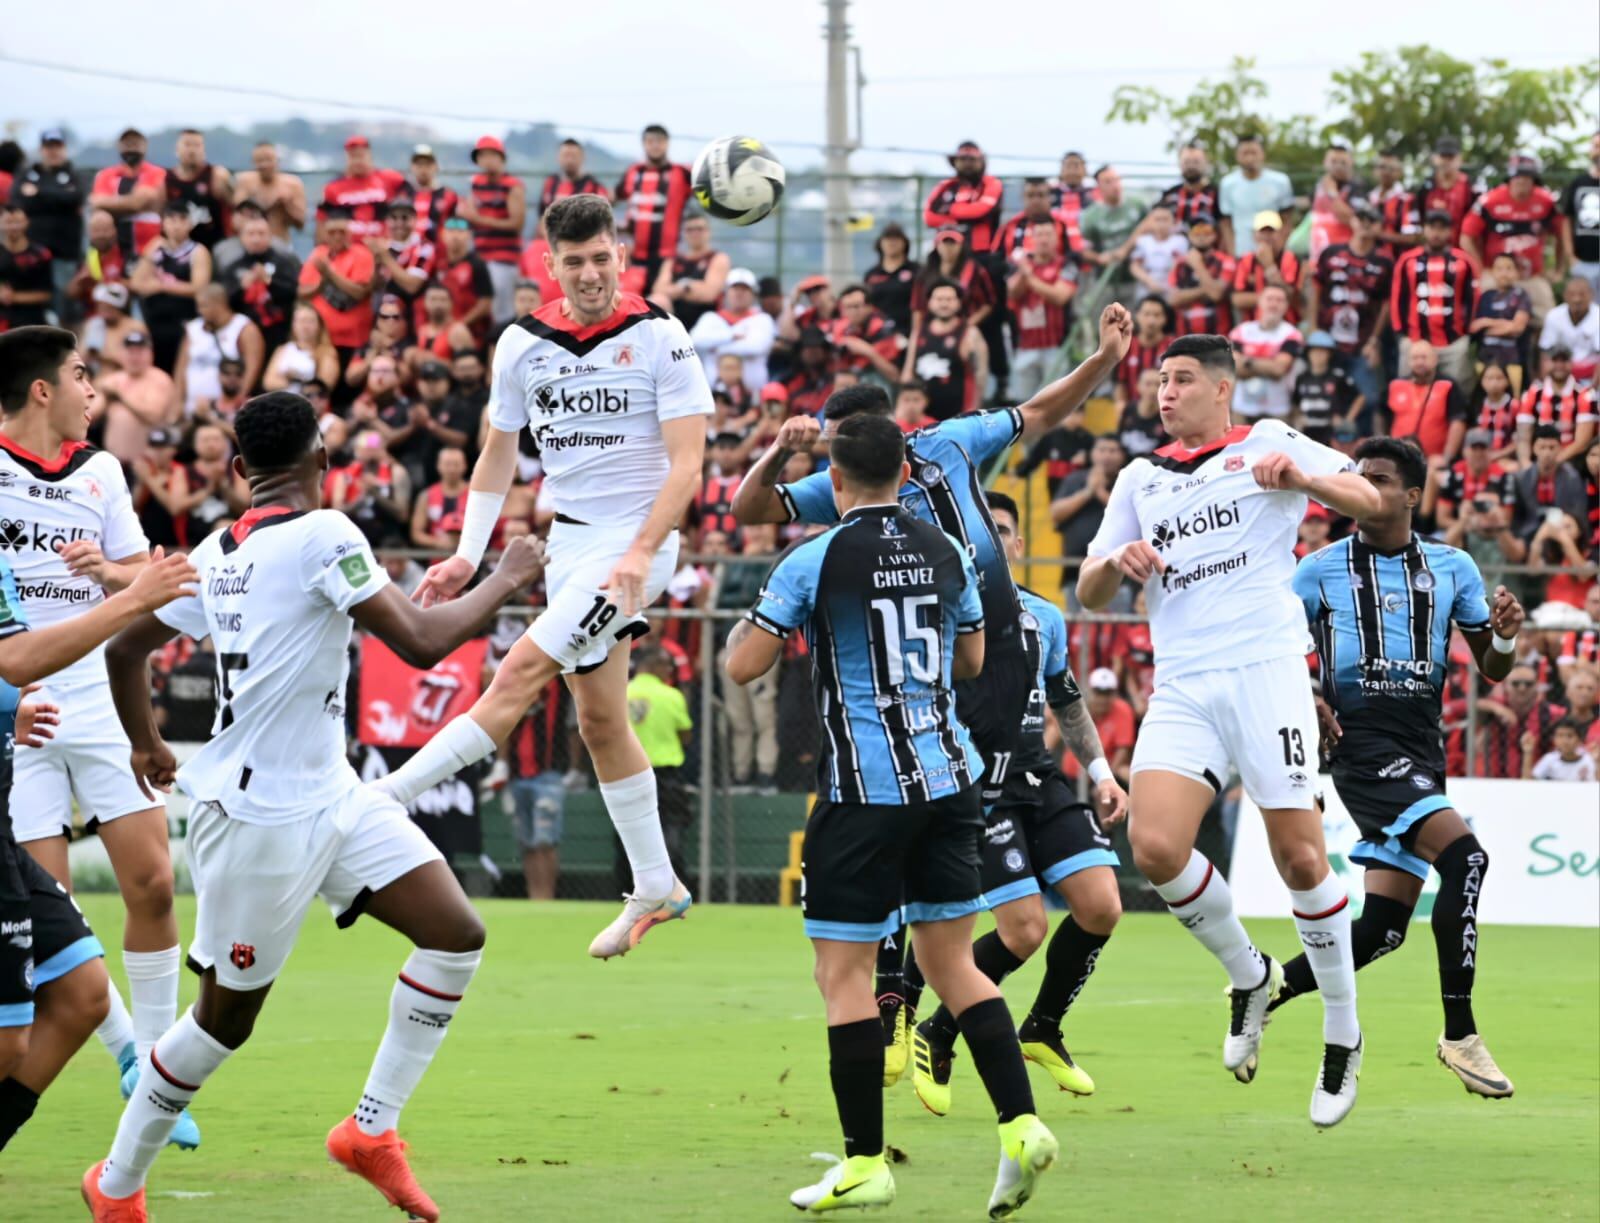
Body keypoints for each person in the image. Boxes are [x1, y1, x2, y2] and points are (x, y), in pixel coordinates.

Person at [80, 390, 543, 1222]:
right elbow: (423, 640)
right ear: (323, 458)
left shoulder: (217, 549)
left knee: (455, 933)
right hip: (257, 818)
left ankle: (370, 1129)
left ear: (237, 468)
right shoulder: (326, 532)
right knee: (221, 1024)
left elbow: (126, 649)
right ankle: (115, 1184)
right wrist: (507, 576)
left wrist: (146, 742)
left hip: (333, 794)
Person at [734, 307, 1133, 1070]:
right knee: (936, 843)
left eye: (838, 443)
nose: (833, 460)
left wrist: (1104, 360)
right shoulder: (838, 486)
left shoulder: (951, 442)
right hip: (938, 680)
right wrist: (774, 453)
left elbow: (1042, 409)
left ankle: (960, 1011)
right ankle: (899, 999)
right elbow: (749, 508)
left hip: (998, 662)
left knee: (1051, 890)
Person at [723, 413, 1059, 1219]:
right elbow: (972, 659)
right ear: (906, 476)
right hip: (949, 780)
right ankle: (1020, 1124)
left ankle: (865, 1162)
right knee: (953, 966)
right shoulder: (947, 550)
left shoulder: (815, 558)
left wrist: (771, 617)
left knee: (840, 975)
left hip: (863, 791)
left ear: (835, 480)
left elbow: (742, 665)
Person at [365, 194, 712, 959]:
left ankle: (381, 800)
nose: (590, 274)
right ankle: (657, 884)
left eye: (601, 258)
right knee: (600, 721)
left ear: (622, 256)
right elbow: (497, 454)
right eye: (574, 261)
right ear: (549, 265)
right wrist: (468, 552)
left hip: (637, 548)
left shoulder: (662, 335)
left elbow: (688, 464)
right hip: (571, 548)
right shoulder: (522, 342)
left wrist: (639, 552)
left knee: (518, 671)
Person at [1076, 332, 1384, 1127]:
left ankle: (1342, 1031)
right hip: (1183, 681)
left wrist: (1304, 478)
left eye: (1182, 379)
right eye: (1160, 380)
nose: (1165, 393)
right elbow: (1089, 585)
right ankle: (1250, 974)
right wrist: (1118, 560)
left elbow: (1370, 500)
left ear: (1222, 387)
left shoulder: (1268, 441)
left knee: (1301, 857)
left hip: (1266, 672)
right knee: (1153, 846)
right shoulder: (1140, 477)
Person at [1270, 435, 1524, 1097]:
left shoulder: (1453, 567)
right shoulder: (1317, 569)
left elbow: (1495, 669)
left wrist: (1503, 637)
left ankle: (1268, 985)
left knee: (1383, 929)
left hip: (1422, 752)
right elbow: (1271, 648)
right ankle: (1460, 1032)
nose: (1365, 486)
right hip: (1361, 747)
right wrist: (1307, 697)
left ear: (1413, 495)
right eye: (1359, 475)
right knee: (1466, 859)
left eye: (1379, 479)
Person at [0, 326, 200, 1148]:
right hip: (20, 699)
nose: (95, 391)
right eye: (83, 375)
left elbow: (141, 581)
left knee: (153, 881)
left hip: (94, 693)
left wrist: (109, 574)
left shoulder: (103, 470)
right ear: (42, 388)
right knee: (53, 911)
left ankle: (157, 1069)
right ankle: (127, 1052)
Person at [904, 491, 1128, 1114]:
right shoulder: (942, 615)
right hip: (982, 786)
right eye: (980, 532)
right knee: (1024, 930)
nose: (991, 541)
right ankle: (936, 1032)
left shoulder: (1045, 616)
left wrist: (1103, 774)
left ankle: (1042, 1027)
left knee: (1102, 906)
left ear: (1019, 545)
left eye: (1000, 530)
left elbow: (1067, 702)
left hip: (1039, 778)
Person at [1307, 201, 1392, 408]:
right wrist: (1312, 326)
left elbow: (1386, 304)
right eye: (1361, 218)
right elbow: (1315, 288)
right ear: (1352, 221)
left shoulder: (1384, 263)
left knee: (1369, 398)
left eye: (1371, 220)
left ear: (1379, 226)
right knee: (1322, 394)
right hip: (1327, 339)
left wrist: (1374, 340)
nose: (1365, 224)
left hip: (1361, 342)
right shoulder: (1331, 253)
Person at [622, 646, 693, 888]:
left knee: (630, 832)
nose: (670, 670)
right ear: (652, 666)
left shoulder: (621, 693)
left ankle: (628, 888)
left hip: (628, 774)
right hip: (665, 775)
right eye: (666, 665)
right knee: (670, 829)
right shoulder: (671, 695)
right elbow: (685, 734)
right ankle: (671, 887)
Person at [1460, 154, 1561, 325]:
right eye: (1518, 176)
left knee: (1549, 319)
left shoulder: (1546, 201)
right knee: (1478, 314)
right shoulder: (1490, 201)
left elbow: (1561, 233)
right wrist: (1480, 269)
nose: (1522, 181)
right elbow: (1466, 237)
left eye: (1527, 177)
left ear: (1534, 180)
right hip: (1496, 274)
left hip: (1531, 276)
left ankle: (1536, 343)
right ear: (1510, 178)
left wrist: (1558, 269)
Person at [1392, 209, 1478, 386]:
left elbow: (1473, 299)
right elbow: (1397, 298)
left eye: (1442, 228)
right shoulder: (1408, 260)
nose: (1436, 233)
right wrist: (1402, 334)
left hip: (1453, 342)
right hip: (1414, 340)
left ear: (1450, 231)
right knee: (1409, 389)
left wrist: (1466, 333)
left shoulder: (1464, 261)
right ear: (1424, 229)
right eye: (1432, 227)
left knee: (1454, 390)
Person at [8, 129, 84, 324]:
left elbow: (73, 198)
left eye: (57, 146)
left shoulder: (72, 173)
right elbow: (18, 201)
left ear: (64, 148)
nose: (53, 151)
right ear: (42, 149)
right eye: (49, 147)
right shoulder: (27, 173)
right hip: (32, 253)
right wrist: (56, 197)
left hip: (64, 253)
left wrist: (39, 193)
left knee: (64, 305)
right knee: (33, 300)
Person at [129, 204, 211, 374]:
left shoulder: (198, 251)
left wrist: (161, 286)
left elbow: (200, 288)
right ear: (163, 223)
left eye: (182, 220)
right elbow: (136, 283)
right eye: (171, 220)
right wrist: (150, 262)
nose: (176, 225)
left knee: (180, 370)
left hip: (183, 321)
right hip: (154, 322)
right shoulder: (155, 247)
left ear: (190, 224)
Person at [614, 126, 693, 292]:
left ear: (667, 143)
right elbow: (615, 196)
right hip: (634, 257)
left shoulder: (682, 173)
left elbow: (703, 193)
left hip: (666, 258)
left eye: (660, 141)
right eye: (650, 141)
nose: (655, 145)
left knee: (660, 301)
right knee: (630, 302)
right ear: (644, 144)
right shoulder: (633, 172)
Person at [1006, 223, 1076, 402]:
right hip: (1025, 345)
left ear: (1057, 239)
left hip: (1056, 346)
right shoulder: (1020, 266)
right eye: (1039, 235)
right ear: (1032, 239)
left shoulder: (1066, 265)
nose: (1044, 240)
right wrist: (1024, 271)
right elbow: (1013, 292)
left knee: (1055, 401)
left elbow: (1060, 297)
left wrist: (1030, 276)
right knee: (1024, 402)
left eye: (1048, 234)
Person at [460, 136, 526, 325]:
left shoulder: (512, 185)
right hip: (479, 256)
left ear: (501, 158)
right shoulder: (476, 183)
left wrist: (479, 219)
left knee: (502, 312)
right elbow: (469, 213)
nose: (487, 160)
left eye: (491, 155)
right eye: (482, 156)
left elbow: (517, 223)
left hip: (504, 258)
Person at [297, 207, 376, 365]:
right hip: (323, 337)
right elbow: (302, 292)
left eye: (342, 232)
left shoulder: (361, 253)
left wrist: (330, 274)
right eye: (332, 232)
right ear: (325, 234)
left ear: (350, 233)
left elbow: (360, 292)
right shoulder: (318, 253)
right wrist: (321, 285)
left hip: (354, 339)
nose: (337, 237)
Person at [175, 285, 265, 417]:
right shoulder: (193, 329)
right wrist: (178, 403)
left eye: (204, 306)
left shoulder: (243, 328)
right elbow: (181, 369)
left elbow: (253, 369)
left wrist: (237, 402)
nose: (199, 311)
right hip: (193, 408)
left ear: (219, 304)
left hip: (226, 411)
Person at [221, 213, 301, 354]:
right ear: (241, 237)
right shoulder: (233, 267)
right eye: (251, 234)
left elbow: (294, 292)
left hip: (279, 332)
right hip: (244, 334)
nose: (256, 239)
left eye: (261, 233)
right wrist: (241, 287)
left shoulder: (284, 263)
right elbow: (223, 300)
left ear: (270, 236)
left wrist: (269, 281)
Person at [94, 331, 177, 464]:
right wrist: (101, 394)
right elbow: (90, 416)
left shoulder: (159, 379)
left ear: (150, 354)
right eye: (130, 352)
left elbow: (153, 415)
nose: (135, 357)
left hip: (147, 464)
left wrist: (121, 396)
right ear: (121, 354)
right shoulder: (113, 380)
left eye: (140, 352)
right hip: (114, 462)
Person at [690, 267, 775, 393]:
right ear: (726, 292)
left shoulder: (763, 319)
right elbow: (694, 341)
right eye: (735, 288)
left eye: (745, 289)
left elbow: (756, 346)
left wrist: (716, 348)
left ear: (754, 294)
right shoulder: (710, 318)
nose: (739, 293)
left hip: (753, 396)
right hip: (713, 396)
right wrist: (730, 336)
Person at [1385, 339, 1467, 466]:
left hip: (1435, 462)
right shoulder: (1396, 385)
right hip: (1398, 460)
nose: (1419, 362)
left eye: (1424, 357)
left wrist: (1447, 458)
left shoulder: (1447, 385)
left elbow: (1458, 422)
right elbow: (1383, 415)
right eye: (1415, 358)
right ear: (1408, 361)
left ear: (1435, 360)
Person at [1229, 284, 1303, 422]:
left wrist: (1247, 362)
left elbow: (1278, 370)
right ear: (1260, 301)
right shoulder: (1241, 331)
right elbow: (1234, 369)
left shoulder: (1291, 334)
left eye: (1279, 300)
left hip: (1277, 410)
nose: (1274, 304)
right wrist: (1269, 365)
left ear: (1286, 305)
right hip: (1242, 409)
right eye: (1269, 299)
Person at [88, 129, 165, 263]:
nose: (131, 149)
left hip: (148, 244)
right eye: (127, 144)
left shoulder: (156, 172)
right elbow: (96, 202)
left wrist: (111, 204)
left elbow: (138, 202)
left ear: (145, 146)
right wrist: (130, 202)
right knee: (100, 219)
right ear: (119, 147)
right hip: (116, 242)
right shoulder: (106, 174)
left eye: (135, 144)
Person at [1518, 344, 1597, 466]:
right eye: (1555, 360)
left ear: (1571, 363)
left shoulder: (1585, 395)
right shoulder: (1532, 394)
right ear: (1546, 363)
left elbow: (1582, 442)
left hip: (1571, 461)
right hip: (1537, 460)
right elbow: (1523, 437)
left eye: (1564, 360)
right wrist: (1526, 464)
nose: (1559, 365)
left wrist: (1551, 464)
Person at [1218, 135, 1296, 258]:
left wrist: (1279, 248)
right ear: (1237, 156)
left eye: (1254, 152)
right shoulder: (1227, 184)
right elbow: (1226, 223)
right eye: (1245, 153)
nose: (1250, 157)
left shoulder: (1280, 181)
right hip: (1241, 252)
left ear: (1262, 154)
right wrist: (1232, 253)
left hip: (1272, 251)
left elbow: (1287, 219)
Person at [1079, 165, 1145, 306]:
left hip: (1136, 279)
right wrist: (1099, 258)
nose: (1114, 185)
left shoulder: (1137, 205)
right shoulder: (1090, 216)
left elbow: (1149, 227)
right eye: (1108, 181)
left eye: (1116, 180)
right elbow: (1084, 251)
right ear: (1099, 187)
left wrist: (1126, 249)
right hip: (1106, 280)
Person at [651, 212, 728, 333]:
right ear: (684, 233)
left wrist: (677, 289)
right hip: (674, 320)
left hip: (705, 323)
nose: (694, 233)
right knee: (658, 300)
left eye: (699, 229)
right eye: (690, 230)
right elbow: (658, 290)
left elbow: (709, 294)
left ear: (708, 232)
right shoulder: (673, 261)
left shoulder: (718, 258)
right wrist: (687, 287)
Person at [320, 135, 404, 243]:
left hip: (384, 244)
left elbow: (411, 204)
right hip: (349, 247)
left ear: (369, 155)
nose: (357, 161)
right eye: (353, 156)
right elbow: (321, 221)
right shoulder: (332, 187)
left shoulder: (390, 179)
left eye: (361, 156)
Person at [1470, 252, 1533, 396]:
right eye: (1499, 268)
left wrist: (1487, 322)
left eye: (1509, 268)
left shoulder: (1521, 295)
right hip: (1485, 358)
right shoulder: (1485, 297)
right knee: (1482, 398)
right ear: (1492, 272)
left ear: (1517, 272)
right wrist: (1505, 325)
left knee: (1514, 398)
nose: (1504, 273)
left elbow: (1517, 328)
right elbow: (1475, 327)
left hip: (1512, 359)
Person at [164, 130, 232, 252]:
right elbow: (160, 215)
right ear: (176, 150)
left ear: (204, 151)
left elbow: (235, 207)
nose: (192, 150)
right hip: (178, 247)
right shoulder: (166, 180)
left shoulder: (217, 175)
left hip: (215, 245)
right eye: (187, 145)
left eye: (197, 145)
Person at [1230, 211, 1301, 326]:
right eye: (1263, 232)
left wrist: (1270, 267)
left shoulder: (1290, 259)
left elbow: (1292, 297)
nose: (1267, 236)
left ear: (1281, 234)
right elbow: (1237, 299)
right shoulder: (1246, 260)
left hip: (1286, 326)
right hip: (1253, 326)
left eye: (1271, 231)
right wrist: (1273, 299)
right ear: (1254, 236)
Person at [231, 141, 307, 243]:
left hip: (280, 241)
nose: (264, 165)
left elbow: (301, 224)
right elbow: (236, 222)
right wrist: (253, 209)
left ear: (277, 161)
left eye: (268, 160)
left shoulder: (293, 184)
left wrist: (287, 205)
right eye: (260, 160)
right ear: (253, 162)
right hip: (250, 243)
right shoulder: (244, 182)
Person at [1292, 331, 1361, 444]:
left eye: (1323, 351)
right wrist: (1298, 417)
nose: (1318, 355)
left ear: (1330, 354)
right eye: (1315, 351)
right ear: (1308, 353)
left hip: (1331, 434)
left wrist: (1347, 420)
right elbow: (1295, 402)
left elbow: (1360, 396)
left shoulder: (1337, 376)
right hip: (1307, 433)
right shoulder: (1301, 377)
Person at [1414, 137, 1477, 247]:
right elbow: (1420, 221)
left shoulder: (1470, 187)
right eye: (1443, 156)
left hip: (1461, 249)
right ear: (1434, 158)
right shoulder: (1425, 188)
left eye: (1451, 157)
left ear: (1460, 159)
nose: (1447, 161)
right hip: (1432, 250)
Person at [263, 303, 340, 393]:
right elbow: (268, 382)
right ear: (293, 324)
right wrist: (291, 381)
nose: (305, 326)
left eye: (310, 321)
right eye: (301, 321)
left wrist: (294, 379)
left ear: (319, 325)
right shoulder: (283, 349)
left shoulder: (327, 352)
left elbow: (325, 386)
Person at [0, 204, 53, 331]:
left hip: (31, 321)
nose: (13, 227)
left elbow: (46, 294)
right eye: (8, 222)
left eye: (17, 222)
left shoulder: (41, 254)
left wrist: (13, 297)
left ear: (27, 222)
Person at [1559, 130, 1600, 293]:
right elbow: (1566, 220)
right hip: (1582, 262)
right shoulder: (1578, 183)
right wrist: (1570, 255)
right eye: (1596, 146)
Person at [1538, 277, 1599, 384]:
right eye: (1572, 294)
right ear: (1565, 296)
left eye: (1582, 294)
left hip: (1590, 374)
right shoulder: (1554, 315)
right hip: (1560, 371)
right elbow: (1545, 352)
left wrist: (1593, 387)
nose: (1577, 299)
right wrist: (1547, 384)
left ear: (1591, 295)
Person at [410, 445, 470, 551]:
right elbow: (416, 533)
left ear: (465, 466)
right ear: (438, 466)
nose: (452, 469)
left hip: (468, 553)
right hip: (437, 555)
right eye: (447, 464)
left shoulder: (473, 495)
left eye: (456, 464)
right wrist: (437, 542)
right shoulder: (427, 495)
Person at [1159, 141, 1224, 238]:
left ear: (1206, 163)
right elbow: (1152, 220)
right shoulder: (1169, 194)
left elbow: (1225, 226)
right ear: (1179, 163)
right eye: (1186, 162)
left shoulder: (1217, 194)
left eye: (1196, 162)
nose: (1191, 166)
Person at [864, 222, 917, 336]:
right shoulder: (872, 274)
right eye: (887, 238)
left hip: (907, 331)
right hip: (878, 334)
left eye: (896, 238)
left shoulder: (916, 271)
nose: (892, 243)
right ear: (880, 243)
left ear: (905, 243)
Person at [1129, 203, 1188, 303]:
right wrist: (1149, 281)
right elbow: (1135, 266)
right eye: (1157, 219)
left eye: (1165, 219)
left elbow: (1181, 264)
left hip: (1172, 285)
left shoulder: (1181, 241)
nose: (1161, 224)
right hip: (1148, 283)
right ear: (1150, 222)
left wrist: (1169, 283)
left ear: (1173, 221)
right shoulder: (1143, 241)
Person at [539, 138, 608, 220]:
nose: (569, 160)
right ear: (558, 158)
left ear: (583, 158)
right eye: (565, 156)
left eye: (573, 156)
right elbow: (541, 215)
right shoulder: (550, 183)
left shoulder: (595, 187)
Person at [1527, 718, 1596, 781]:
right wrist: (1527, 752)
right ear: (1554, 739)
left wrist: (1598, 763)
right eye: (1560, 735)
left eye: (1570, 736)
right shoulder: (1549, 759)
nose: (1565, 741)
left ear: (1579, 739)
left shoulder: (1589, 760)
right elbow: (1529, 783)